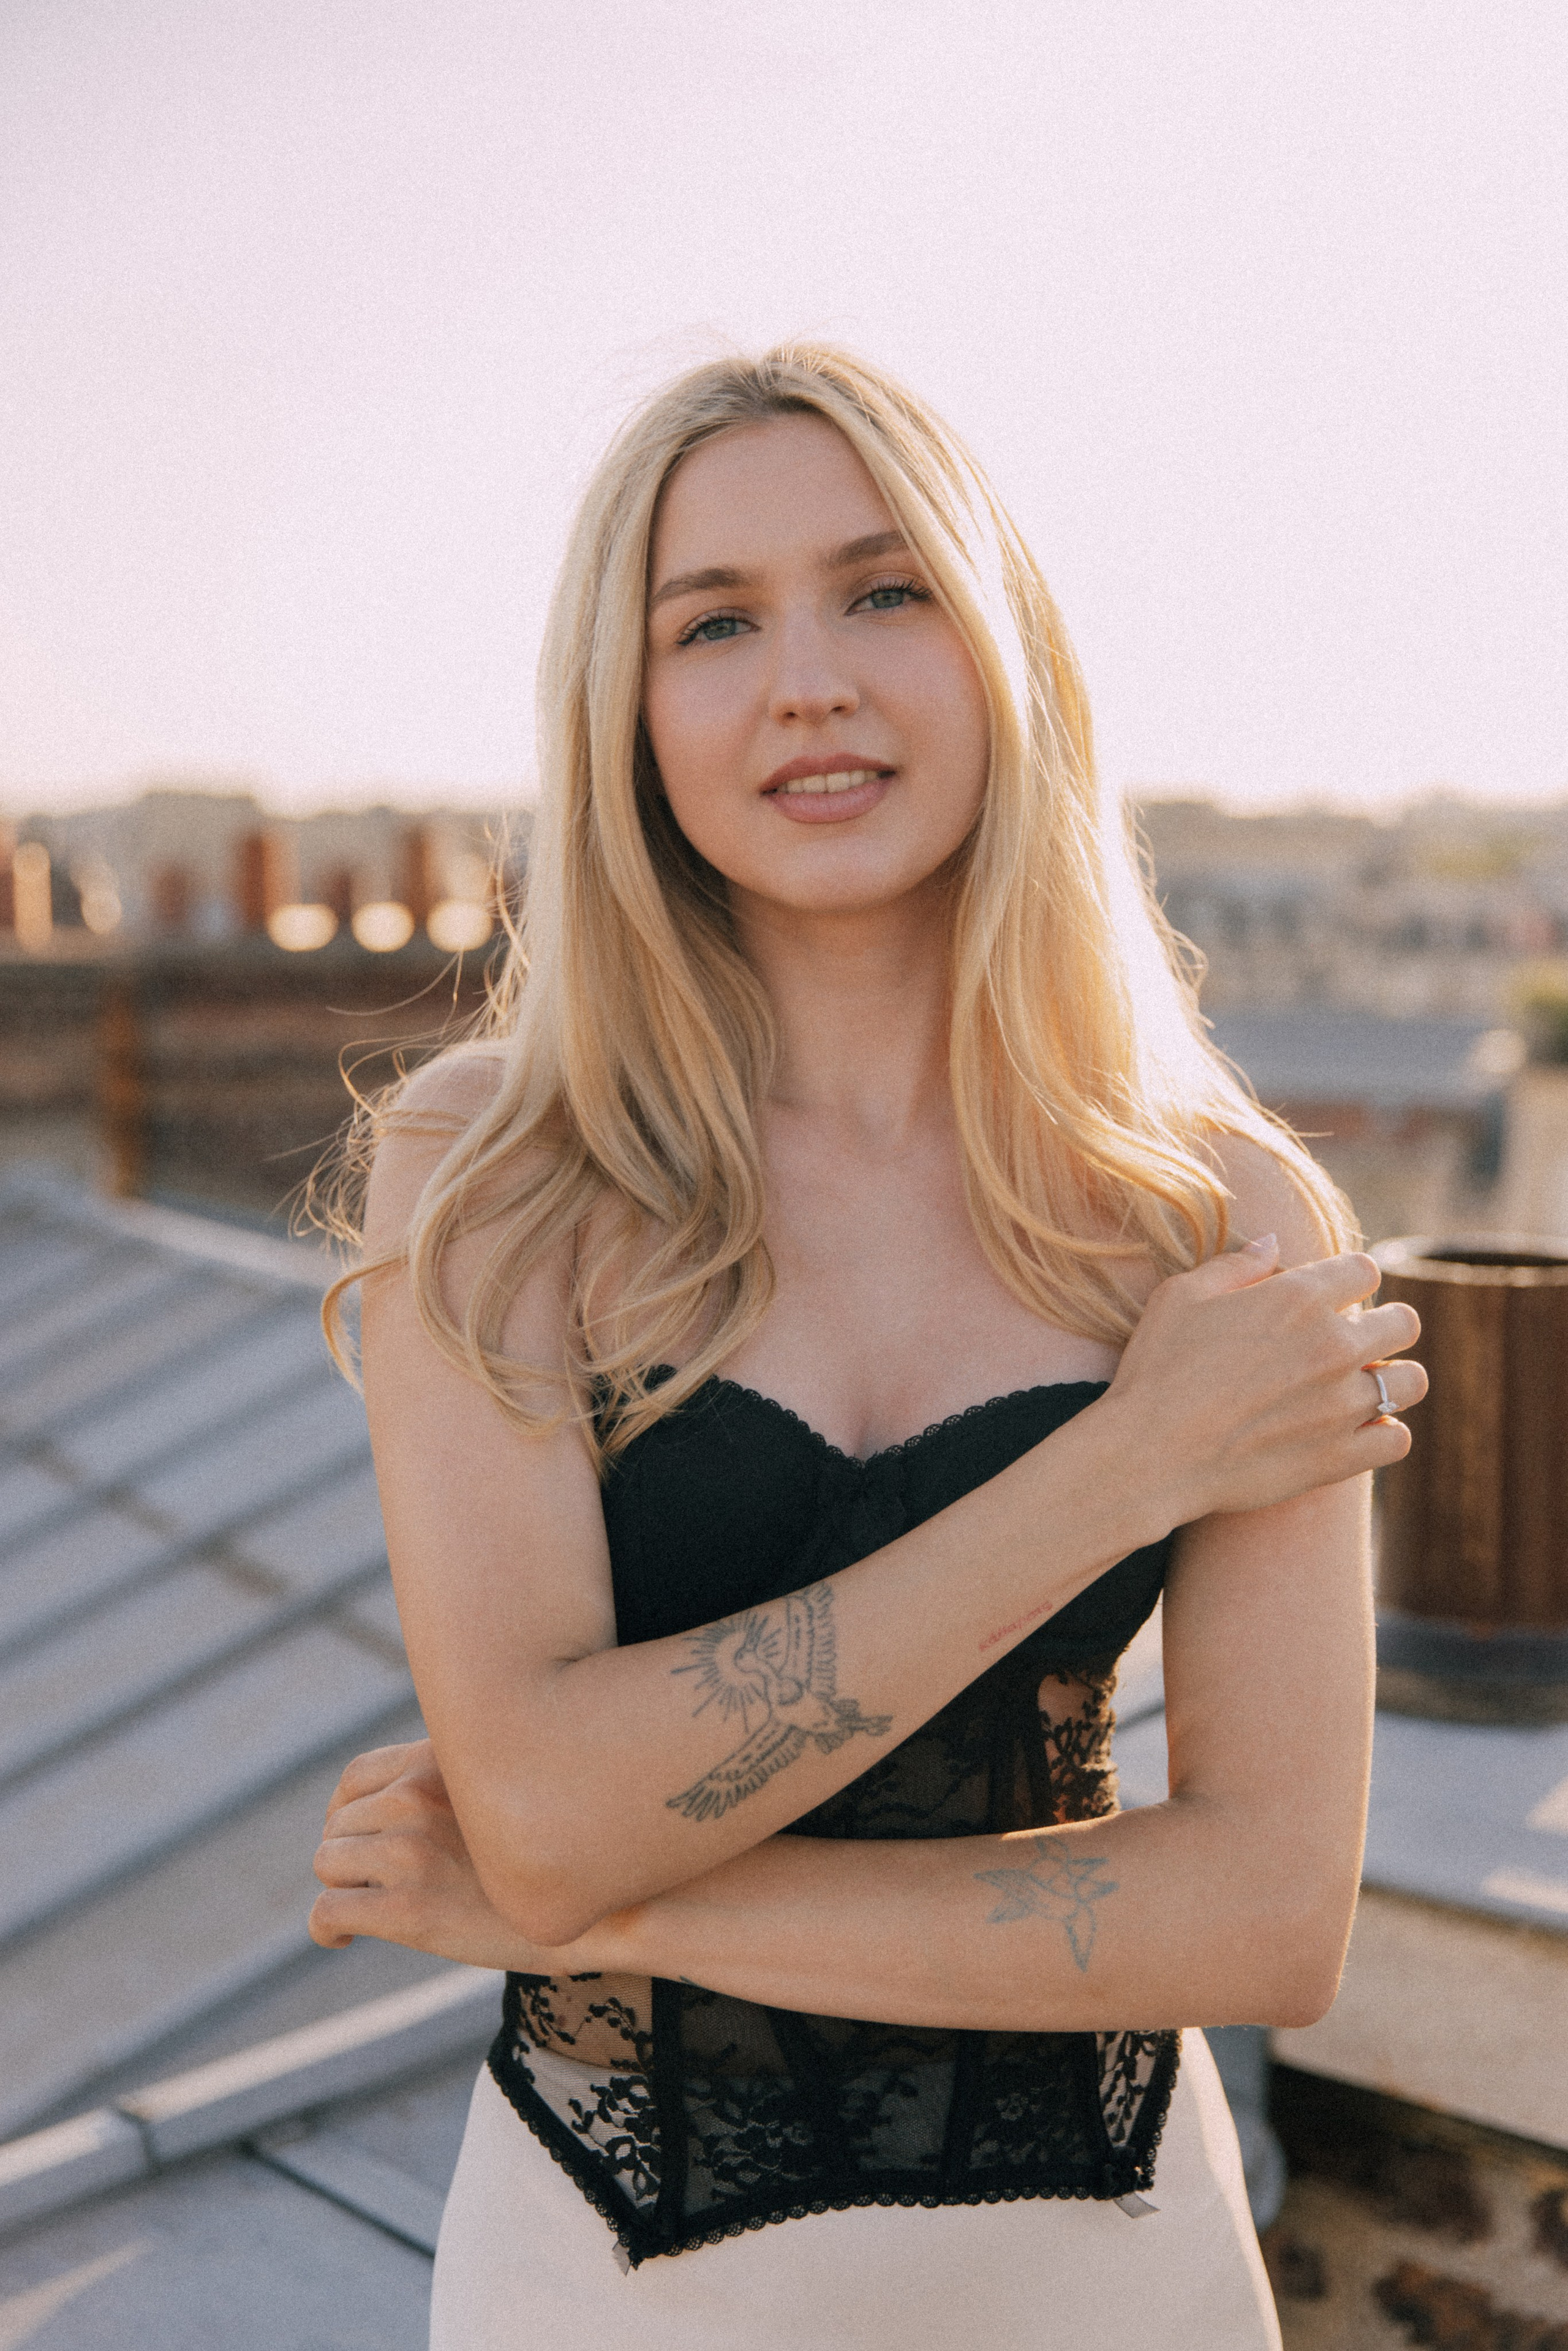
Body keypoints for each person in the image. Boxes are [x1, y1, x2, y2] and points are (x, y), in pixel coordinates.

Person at [306, 344, 1425, 2351]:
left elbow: (1266, 1921)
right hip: (611, 2293)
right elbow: (540, 1810)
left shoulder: (1221, 1218)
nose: (808, 681)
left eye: (885, 589)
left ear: (1003, 650)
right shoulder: (496, 1173)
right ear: (627, 716)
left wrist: (615, 1906)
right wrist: (1125, 1462)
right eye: (714, 623)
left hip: (1121, 2283)